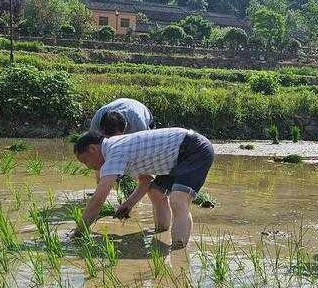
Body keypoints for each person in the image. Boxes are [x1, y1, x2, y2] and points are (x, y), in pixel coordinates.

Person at [72, 127, 215, 248]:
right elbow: (146, 181)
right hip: (175, 158)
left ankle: (179, 250)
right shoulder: (118, 147)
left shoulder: (114, 152)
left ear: (92, 149)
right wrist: (128, 204)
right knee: (155, 191)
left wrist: (77, 233)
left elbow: (98, 199)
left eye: (85, 161)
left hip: (194, 149)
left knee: (178, 200)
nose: (89, 166)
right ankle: (161, 232)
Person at [90, 98, 154, 137]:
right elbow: (93, 142)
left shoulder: (139, 123)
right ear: (102, 130)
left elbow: (143, 144)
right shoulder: (97, 119)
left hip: (140, 110)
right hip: (124, 104)